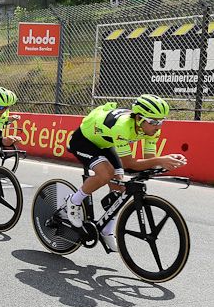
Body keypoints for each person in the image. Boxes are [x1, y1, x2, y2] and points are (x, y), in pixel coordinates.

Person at [65, 95, 186, 249]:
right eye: (154, 122)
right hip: (83, 140)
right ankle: (73, 201)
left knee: (120, 188)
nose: (158, 126)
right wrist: (160, 160)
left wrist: (167, 162)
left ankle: (107, 231)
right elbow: (130, 163)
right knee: (105, 174)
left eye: (162, 121)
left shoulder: (152, 130)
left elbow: (149, 160)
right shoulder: (122, 127)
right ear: (139, 119)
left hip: (105, 142)